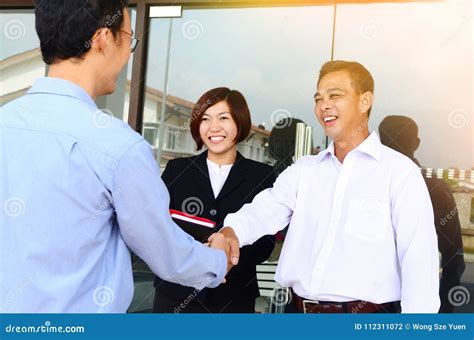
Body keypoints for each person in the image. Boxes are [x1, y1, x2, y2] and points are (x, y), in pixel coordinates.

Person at [0, 0, 229, 313]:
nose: (128, 54)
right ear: (104, 39)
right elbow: (168, 254)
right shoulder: (117, 146)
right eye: (130, 40)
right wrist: (220, 259)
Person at [215, 60, 441, 313]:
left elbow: (419, 261)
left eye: (335, 95)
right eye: (318, 98)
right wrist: (230, 232)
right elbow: (265, 210)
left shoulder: (399, 172)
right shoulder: (305, 170)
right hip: (296, 314)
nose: (324, 106)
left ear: (365, 101)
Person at [153, 87, 276, 313]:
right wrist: (206, 250)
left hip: (233, 298)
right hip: (176, 295)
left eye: (223, 118)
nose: (214, 127)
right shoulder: (177, 170)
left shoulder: (262, 175)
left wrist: (226, 258)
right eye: (206, 119)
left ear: (239, 122)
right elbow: (160, 228)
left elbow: (265, 242)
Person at [379, 115, 465, 313]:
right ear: (417, 143)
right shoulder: (436, 188)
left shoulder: (363, 183)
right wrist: (444, 309)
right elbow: (454, 255)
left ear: (380, 142)